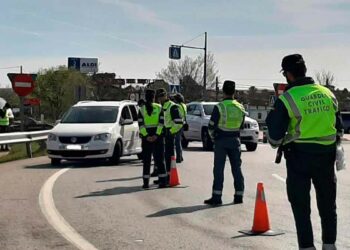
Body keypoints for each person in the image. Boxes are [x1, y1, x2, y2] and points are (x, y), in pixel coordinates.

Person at [266, 54, 342, 250]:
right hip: (326, 156)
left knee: (301, 206)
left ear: (288, 75)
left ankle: (307, 247)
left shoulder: (288, 98)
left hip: (299, 157)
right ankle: (329, 245)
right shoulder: (327, 93)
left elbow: (274, 138)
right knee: (327, 204)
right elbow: (339, 127)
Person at [204, 80, 246, 206]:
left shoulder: (220, 107)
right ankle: (239, 195)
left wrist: (213, 138)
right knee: (237, 168)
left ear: (223, 91)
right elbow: (242, 125)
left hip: (221, 140)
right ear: (234, 92)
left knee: (218, 169)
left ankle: (217, 197)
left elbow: (211, 126)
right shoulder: (240, 107)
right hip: (235, 140)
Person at [138, 90, 168, 189]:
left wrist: (146, 136)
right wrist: (156, 135)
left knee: (146, 161)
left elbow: (141, 125)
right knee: (160, 160)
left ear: (145, 97)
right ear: (154, 97)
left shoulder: (141, 109)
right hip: (158, 138)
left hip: (146, 139)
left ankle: (146, 183)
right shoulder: (159, 108)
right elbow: (161, 123)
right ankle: (162, 182)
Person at [156, 89, 183, 181]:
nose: (160, 98)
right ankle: (163, 177)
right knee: (161, 157)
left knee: (168, 157)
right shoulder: (161, 107)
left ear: (166, 96)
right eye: (159, 97)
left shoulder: (172, 106)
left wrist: (171, 131)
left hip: (169, 134)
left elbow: (179, 122)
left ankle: (170, 177)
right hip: (162, 134)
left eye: (162, 96)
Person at [173, 93, 187, 163]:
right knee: (179, 142)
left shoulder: (177, 106)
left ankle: (179, 157)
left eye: (174, 99)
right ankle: (180, 156)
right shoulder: (184, 105)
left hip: (178, 124)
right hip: (183, 124)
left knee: (177, 142)